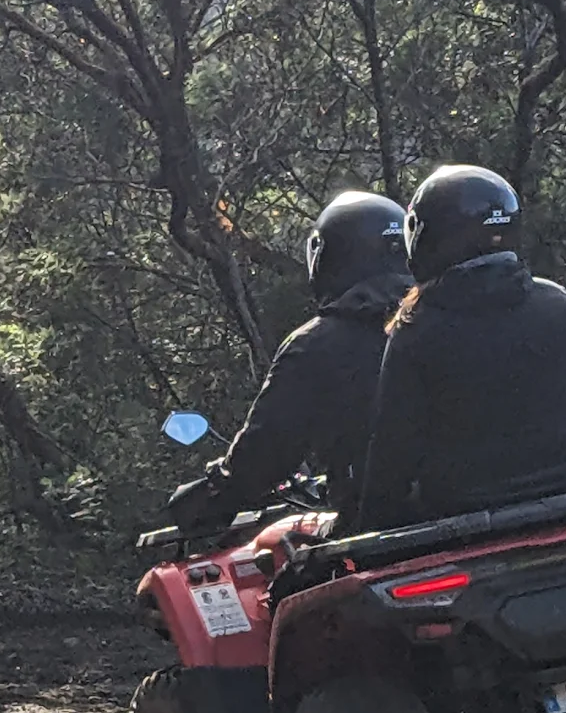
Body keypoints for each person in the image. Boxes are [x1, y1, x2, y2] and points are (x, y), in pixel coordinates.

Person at [356, 165, 566, 531]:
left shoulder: (415, 332)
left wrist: (371, 532)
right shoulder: (562, 306)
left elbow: (394, 452)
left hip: (465, 516)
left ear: (426, 237)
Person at [167, 190, 412, 531]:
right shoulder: (446, 316)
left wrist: (214, 495)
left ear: (329, 258)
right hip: (488, 515)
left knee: (276, 575)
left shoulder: (315, 346)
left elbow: (265, 453)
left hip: (379, 530)